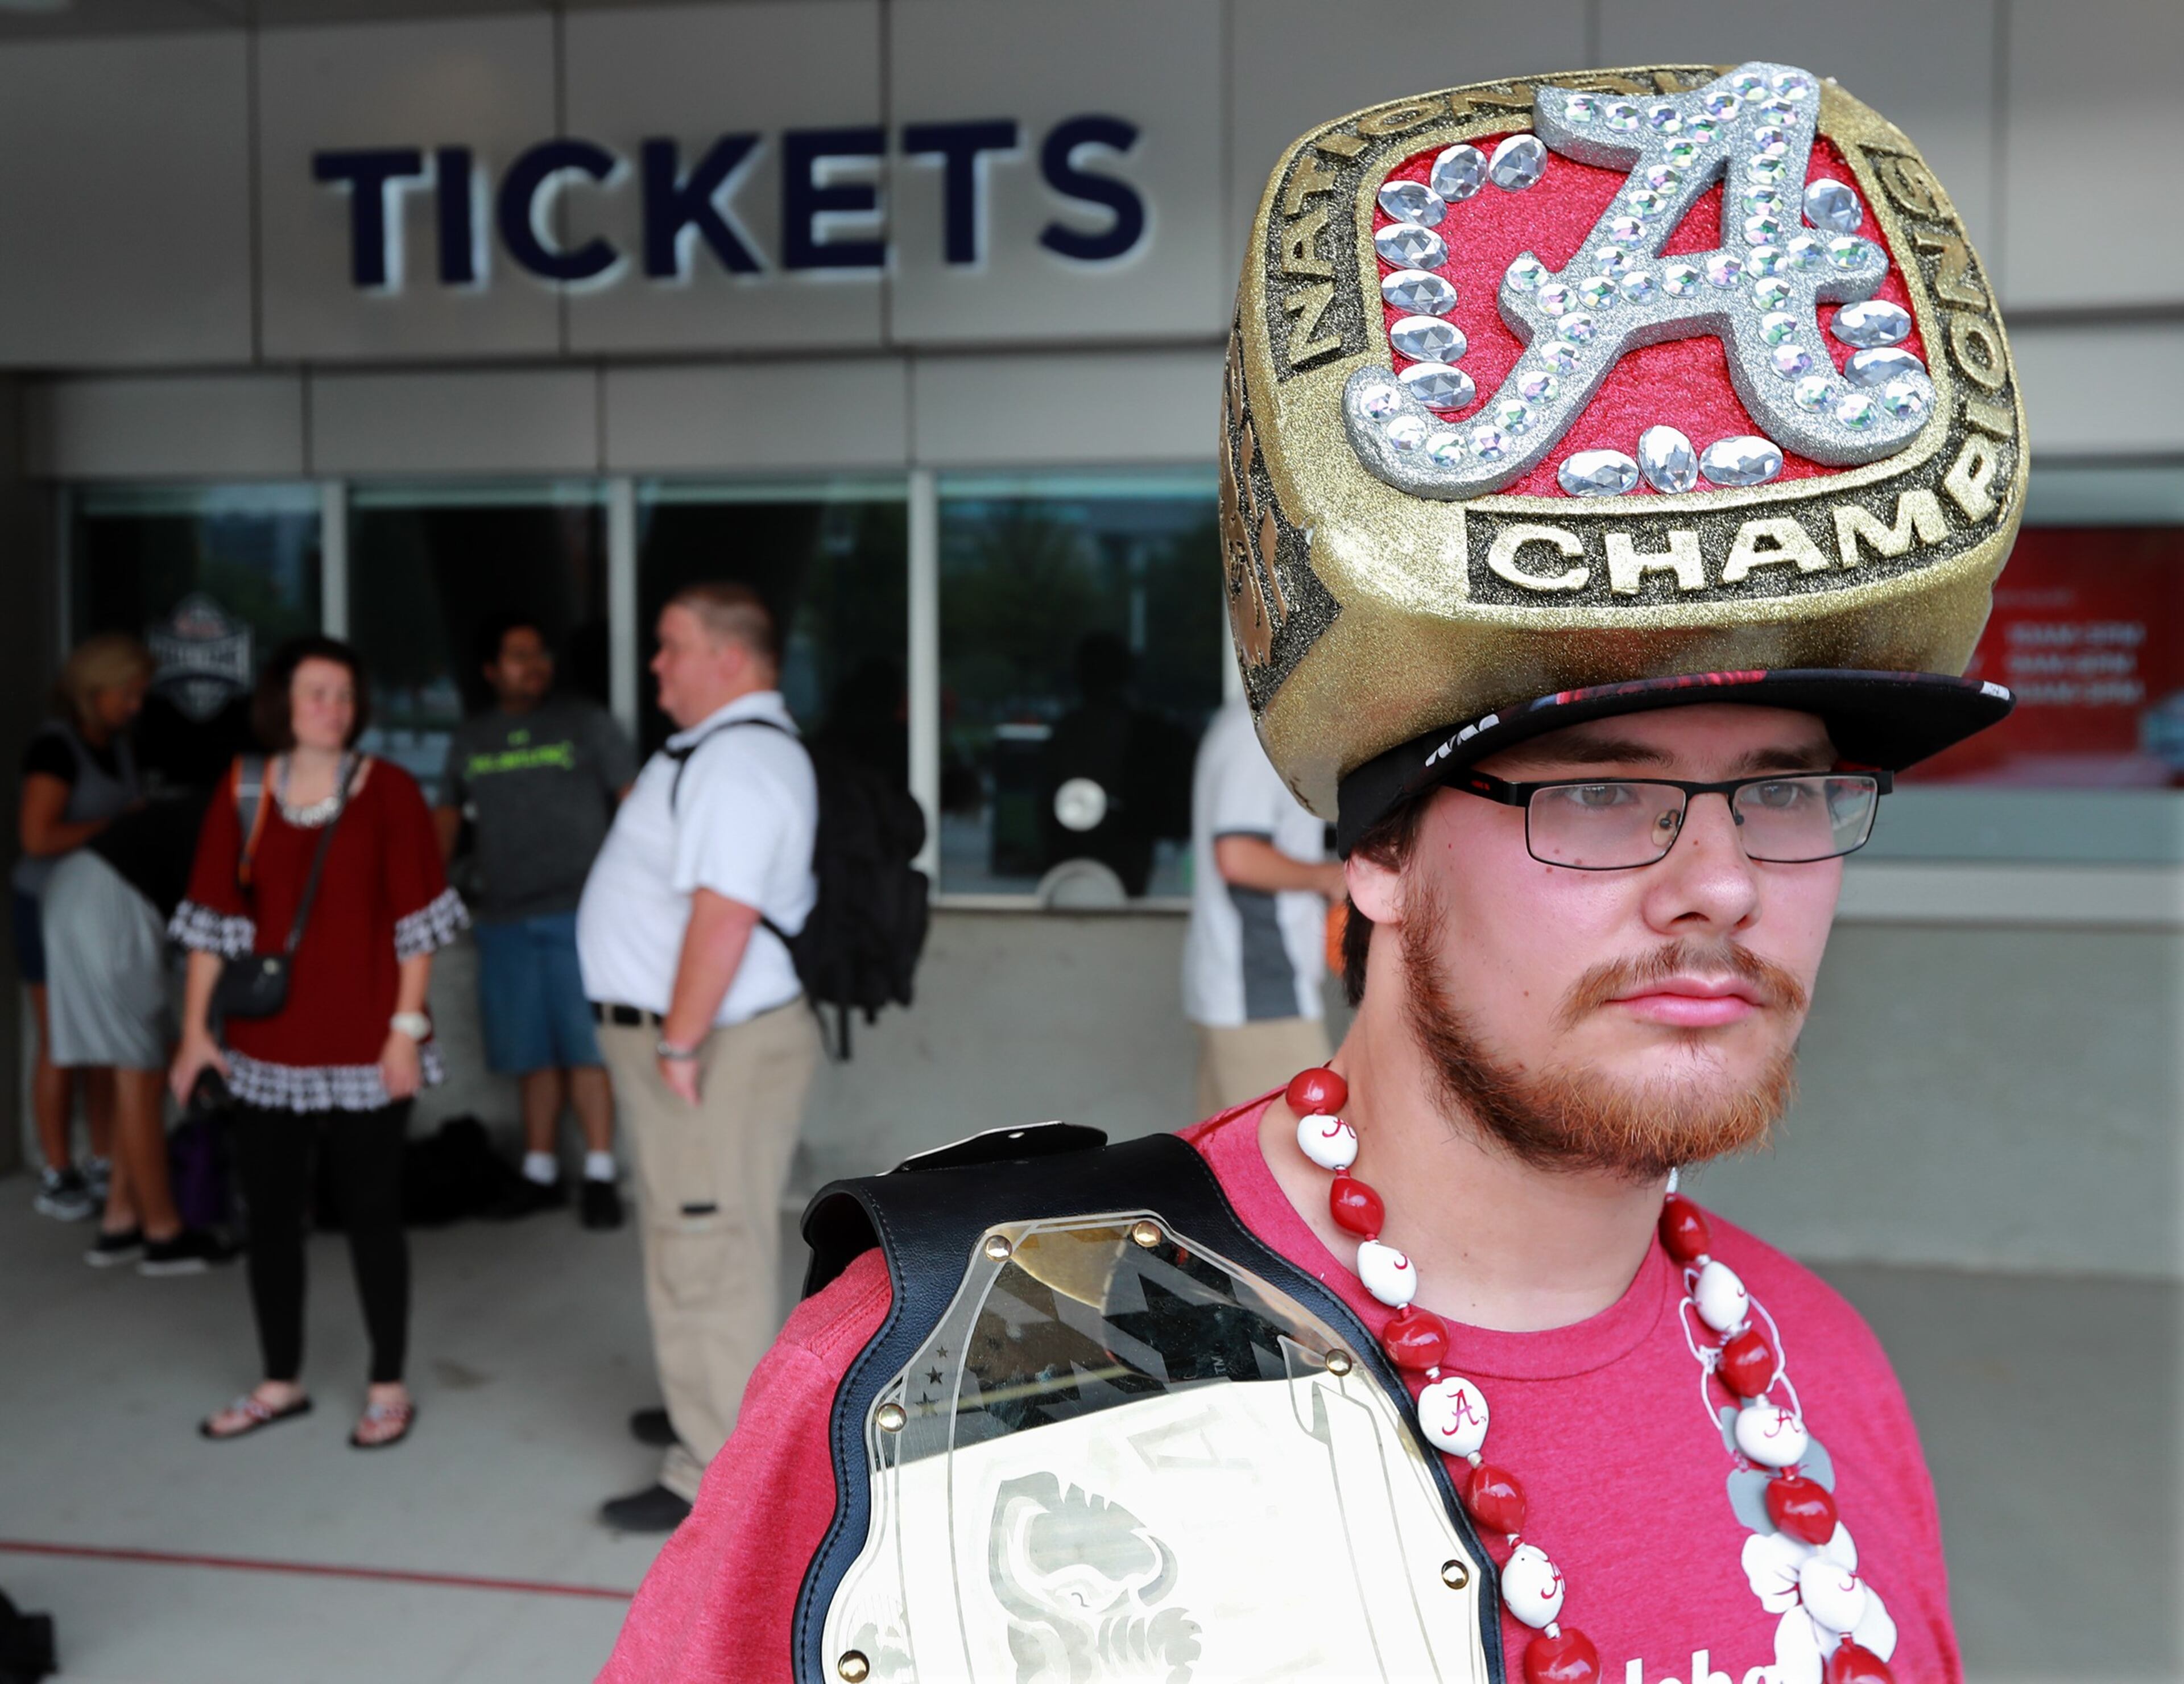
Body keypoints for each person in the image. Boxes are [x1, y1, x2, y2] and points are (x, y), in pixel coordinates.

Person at [602, 57, 2026, 1684]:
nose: (1720, 885)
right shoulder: (945, 1372)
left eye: (1781, 797)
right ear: (1378, 862)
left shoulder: (1816, 1374)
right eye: (1602, 799)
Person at [169, 635, 467, 1450]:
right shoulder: (244, 788)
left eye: (343, 694)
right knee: (269, 1219)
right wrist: (195, 1033)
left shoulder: (390, 790)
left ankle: (387, 1384)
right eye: (314, 693)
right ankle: (279, 1381)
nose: (331, 708)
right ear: (282, 703)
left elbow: (418, 929)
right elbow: (214, 925)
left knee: (372, 1215)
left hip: (372, 1046)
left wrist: (406, 1032)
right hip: (265, 1048)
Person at [576, 582, 821, 1533]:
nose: (657, 666)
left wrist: (679, 1041)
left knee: (705, 1244)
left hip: (708, 1045)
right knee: (703, 1236)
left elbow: (722, 917)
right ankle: (707, 1406)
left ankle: (712, 1471)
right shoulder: (723, 755)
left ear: (729, 659)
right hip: (699, 1041)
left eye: (672, 647)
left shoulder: (739, 763)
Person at [434, 612, 635, 1228]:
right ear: (492, 670)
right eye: (518, 655)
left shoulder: (586, 724)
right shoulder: (474, 738)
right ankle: (540, 1170)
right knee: (530, 1054)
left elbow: (634, 805)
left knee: (585, 1047)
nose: (534, 665)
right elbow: (446, 817)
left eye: (539, 652)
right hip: (504, 918)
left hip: (583, 914)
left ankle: (600, 1172)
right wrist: (429, 885)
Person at [15, 633, 154, 1223]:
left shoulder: (117, 745)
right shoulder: (56, 749)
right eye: (128, 692)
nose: (136, 704)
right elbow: (37, 837)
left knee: (103, 1042)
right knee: (61, 1042)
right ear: (95, 690)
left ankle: (101, 1159)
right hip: (46, 907)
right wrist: (116, 826)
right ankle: (57, 1170)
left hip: (100, 911)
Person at [1184, 694, 1347, 1112]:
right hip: (1260, 991)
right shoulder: (1262, 731)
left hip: (1247, 990)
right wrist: (1331, 878)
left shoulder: (1256, 722)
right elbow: (1238, 857)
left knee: (1226, 1167)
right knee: (1301, 1159)